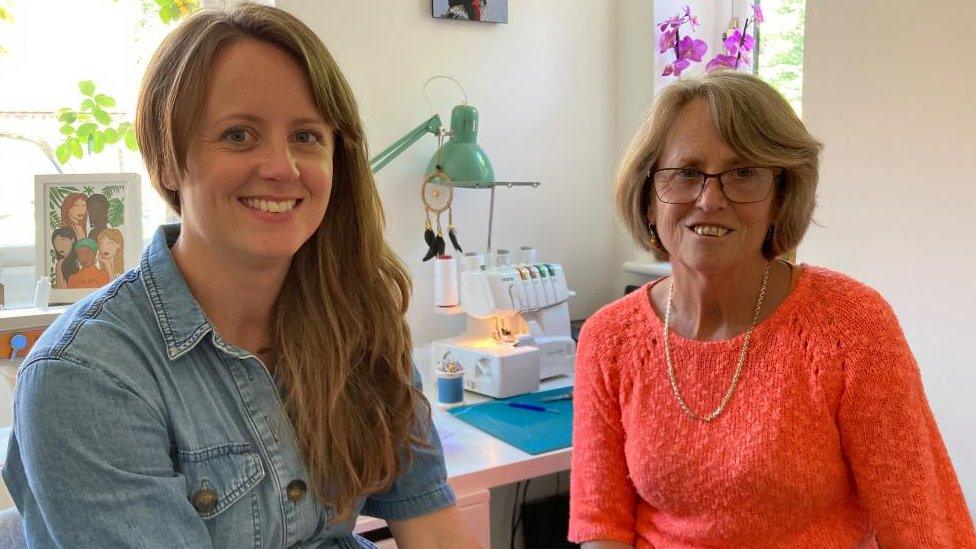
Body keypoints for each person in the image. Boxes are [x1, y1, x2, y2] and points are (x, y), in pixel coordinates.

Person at [3, 3, 479, 548]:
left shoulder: (357, 323)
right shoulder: (86, 376)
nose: (282, 167)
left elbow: (434, 525)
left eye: (306, 137)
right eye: (238, 135)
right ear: (164, 160)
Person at [568, 71, 976, 548]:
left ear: (782, 197)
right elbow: (602, 525)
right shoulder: (608, 338)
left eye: (743, 173)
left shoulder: (851, 324)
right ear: (648, 197)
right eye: (686, 172)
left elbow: (919, 525)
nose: (710, 199)